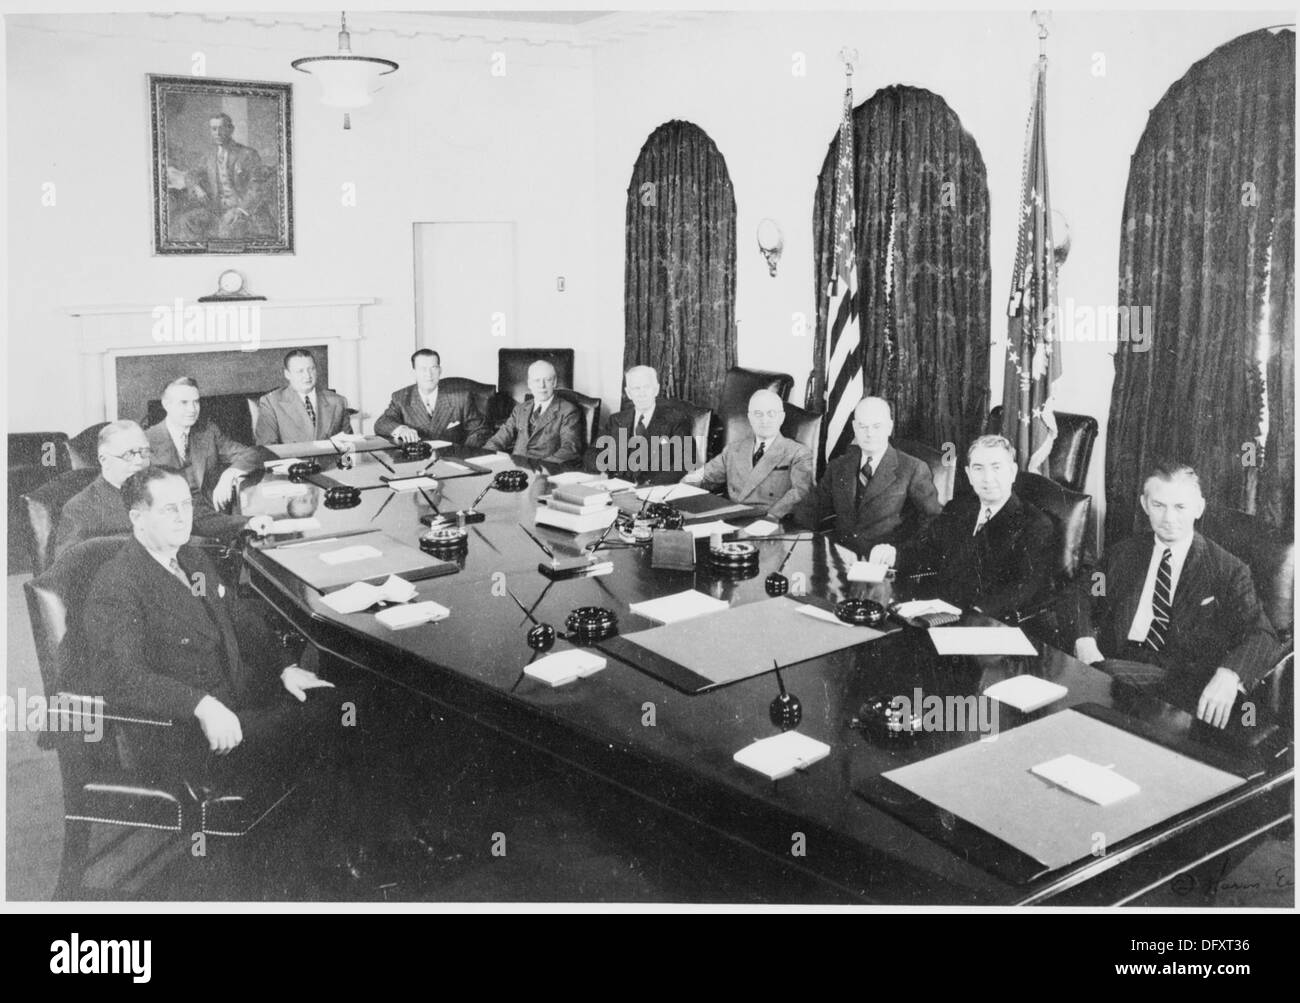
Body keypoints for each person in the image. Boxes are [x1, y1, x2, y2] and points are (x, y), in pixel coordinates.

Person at [1072, 461, 1282, 729]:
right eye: (1159, 506)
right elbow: (1083, 593)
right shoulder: (1125, 552)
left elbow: (1262, 634)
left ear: (1199, 508)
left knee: (1097, 680)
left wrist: (1230, 674)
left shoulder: (1227, 570)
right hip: (1117, 657)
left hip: (1175, 677)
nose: (1169, 518)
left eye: (1180, 507)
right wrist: (1084, 639)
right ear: (1145, 505)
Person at [885, 434, 1055, 620]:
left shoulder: (1035, 524)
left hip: (983, 622)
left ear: (1013, 472)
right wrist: (894, 555)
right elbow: (925, 548)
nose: (987, 478)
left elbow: (1021, 590)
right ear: (969, 474)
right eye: (978, 468)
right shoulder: (959, 507)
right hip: (936, 613)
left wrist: (974, 613)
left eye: (996, 468)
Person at [53, 420, 266, 563]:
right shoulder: (79, 508)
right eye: (129, 454)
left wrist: (247, 523)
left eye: (144, 452)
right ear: (104, 460)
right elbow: (70, 569)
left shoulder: (165, 483)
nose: (140, 462)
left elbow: (202, 518)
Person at [791, 396, 941, 552]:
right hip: (840, 557)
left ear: (889, 427)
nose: (869, 434)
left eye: (876, 426)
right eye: (863, 426)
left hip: (884, 563)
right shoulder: (838, 466)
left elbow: (933, 522)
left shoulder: (913, 468)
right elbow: (811, 508)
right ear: (855, 428)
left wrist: (898, 552)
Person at [681, 389, 813, 519]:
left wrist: (771, 518)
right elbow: (704, 476)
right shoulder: (733, 449)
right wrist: (675, 490)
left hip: (768, 523)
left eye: (771, 414)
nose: (764, 420)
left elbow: (800, 493)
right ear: (750, 418)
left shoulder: (798, 453)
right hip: (730, 518)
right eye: (758, 414)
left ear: (781, 417)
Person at [145, 377, 263, 511]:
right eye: (184, 403)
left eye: (196, 402)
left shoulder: (207, 431)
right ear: (166, 404)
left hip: (211, 510)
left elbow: (252, 454)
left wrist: (229, 474)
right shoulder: (147, 439)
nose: (192, 409)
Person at [586, 365, 697, 485]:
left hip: (652, 490)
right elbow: (592, 454)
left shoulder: (676, 420)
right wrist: (608, 471)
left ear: (656, 390)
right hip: (616, 487)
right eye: (636, 388)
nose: (641, 393)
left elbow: (683, 462)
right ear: (628, 393)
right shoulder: (616, 420)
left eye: (646, 387)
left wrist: (648, 485)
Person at [175, 113, 273, 241]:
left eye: (222, 128)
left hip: (244, 210)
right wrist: (197, 188)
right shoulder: (209, 156)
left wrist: (240, 210)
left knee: (227, 232)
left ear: (230, 129)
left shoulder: (248, 154)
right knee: (186, 221)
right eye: (214, 129)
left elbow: (257, 187)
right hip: (216, 209)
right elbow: (191, 174)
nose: (218, 133)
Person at [373, 349, 487, 447]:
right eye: (423, 369)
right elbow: (382, 423)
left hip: (453, 458)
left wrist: (465, 453)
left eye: (433, 368)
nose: (429, 374)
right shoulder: (401, 397)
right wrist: (401, 430)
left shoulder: (461, 398)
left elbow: (479, 431)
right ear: (414, 373)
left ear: (440, 371)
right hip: (416, 461)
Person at [483, 360, 582, 464]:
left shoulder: (568, 411)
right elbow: (499, 439)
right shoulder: (520, 409)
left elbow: (570, 449)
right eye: (537, 380)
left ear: (555, 382)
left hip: (545, 472)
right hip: (517, 469)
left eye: (547, 380)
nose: (542, 386)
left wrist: (539, 468)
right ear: (529, 384)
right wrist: (483, 457)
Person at [255, 349, 352, 445]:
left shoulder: (337, 401)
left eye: (311, 369)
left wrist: (348, 460)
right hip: (291, 460)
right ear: (287, 374)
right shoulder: (271, 402)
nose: (307, 375)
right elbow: (267, 449)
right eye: (300, 371)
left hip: (331, 461)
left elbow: (349, 448)